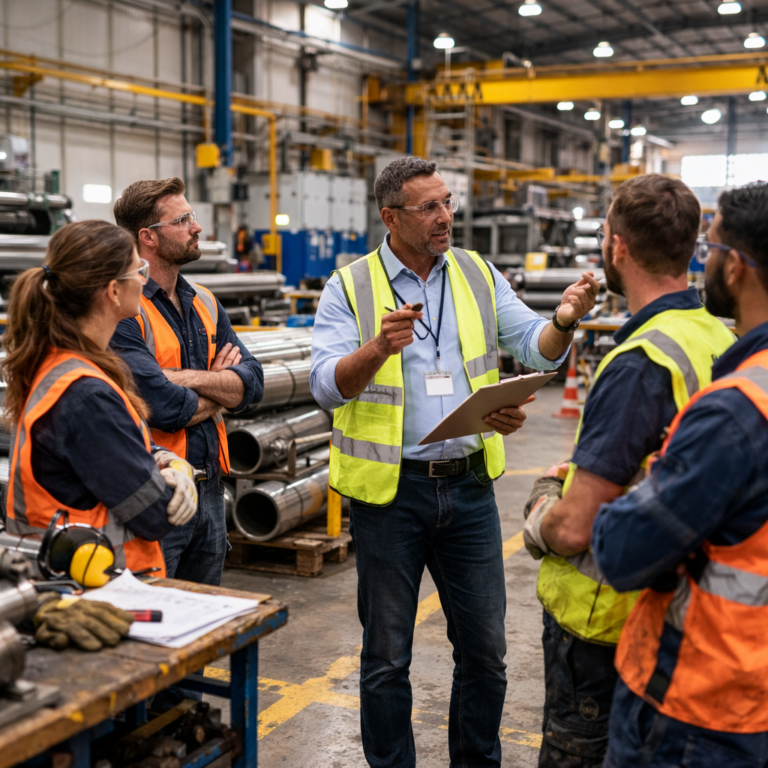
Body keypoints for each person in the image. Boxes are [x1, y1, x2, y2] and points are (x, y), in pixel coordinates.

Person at [310, 156, 600, 768]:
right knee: (387, 657)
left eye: (447, 203)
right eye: (429, 208)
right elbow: (325, 387)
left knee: (486, 653)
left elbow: (536, 348)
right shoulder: (350, 285)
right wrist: (377, 348)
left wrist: (565, 321)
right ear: (391, 217)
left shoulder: (473, 272)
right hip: (390, 497)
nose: (445, 218)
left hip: (467, 490)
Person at [522, 174, 735, 767]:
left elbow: (573, 529)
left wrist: (541, 508)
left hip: (602, 625)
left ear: (616, 247)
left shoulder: (639, 361)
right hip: (678, 611)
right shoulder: (718, 338)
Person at [590, 181, 768, 766]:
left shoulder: (736, 411)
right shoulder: (733, 358)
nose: (704, 261)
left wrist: (644, 481)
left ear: (737, 269)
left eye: (711, 249)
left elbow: (620, 548)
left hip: (705, 704)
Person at [2, 220, 198, 576]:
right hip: (101, 592)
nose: (144, 279)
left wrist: (169, 462)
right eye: (138, 270)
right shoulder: (86, 395)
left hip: (78, 585)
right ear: (112, 291)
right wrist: (174, 481)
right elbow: (153, 514)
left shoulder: (64, 364)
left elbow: (114, 451)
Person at [112, 178, 264, 587]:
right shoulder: (125, 308)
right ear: (149, 237)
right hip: (156, 491)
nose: (196, 227)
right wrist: (220, 386)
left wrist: (190, 380)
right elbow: (162, 406)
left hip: (211, 492)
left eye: (191, 216)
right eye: (183, 220)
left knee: (203, 625)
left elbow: (253, 384)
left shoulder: (206, 301)